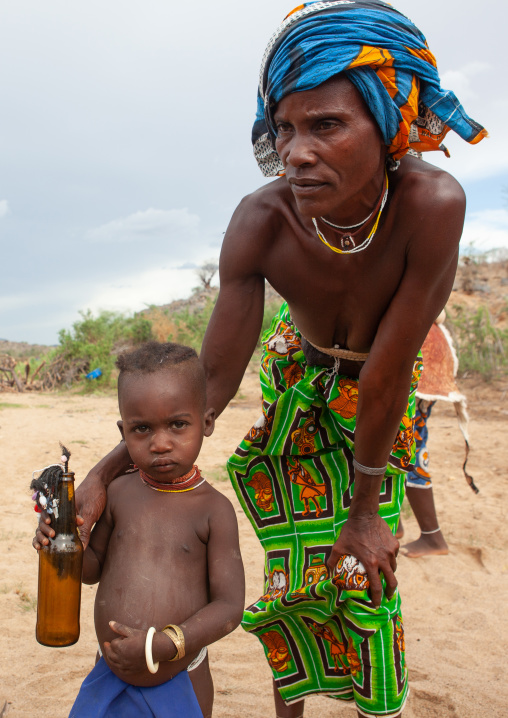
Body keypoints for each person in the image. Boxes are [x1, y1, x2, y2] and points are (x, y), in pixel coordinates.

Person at [41, 2, 486, 716]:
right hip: (297, 388)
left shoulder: (432, 206)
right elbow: (209, 385)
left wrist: (368, 511)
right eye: (284, 128)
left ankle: (379, 702)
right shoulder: (262, 221)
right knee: (293, 580)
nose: (297, 151)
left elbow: (387, 373)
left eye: (327, 125)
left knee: (364, 575)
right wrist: (99, 476)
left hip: (380, 402)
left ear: (390, 126)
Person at [34, 342, 245, 718]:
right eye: (141, 429)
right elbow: (91, 570)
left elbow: (229, 608)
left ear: (207, 422)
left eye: (178, 424)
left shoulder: (214, 511)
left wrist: (165, 644)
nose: (160, 443)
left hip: (182, 678)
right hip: (109, 674)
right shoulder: (118, 493)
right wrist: (60, 543)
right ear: (123, 431)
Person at [397, 311, 478, 558]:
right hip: (424, 351)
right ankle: (394, 523)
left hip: (420, 361)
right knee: (397, 444)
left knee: (408, 447)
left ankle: (432, 537)